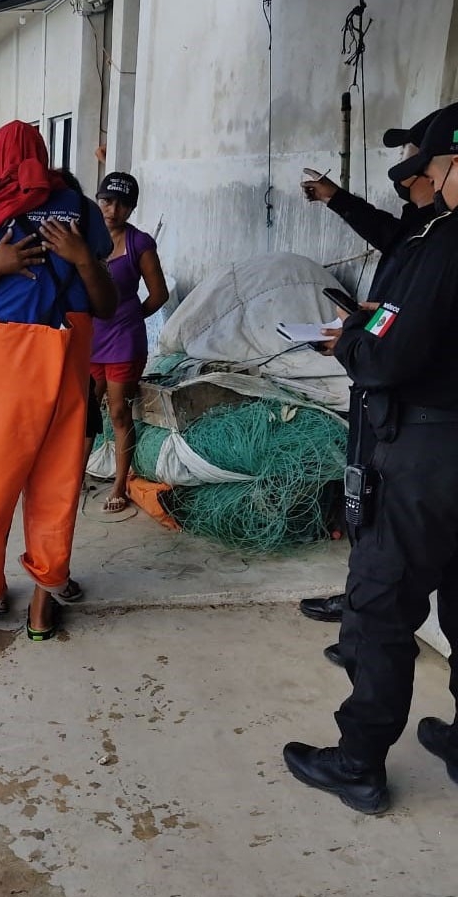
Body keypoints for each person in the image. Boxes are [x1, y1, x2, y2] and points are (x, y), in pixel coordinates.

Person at [283, 101, 458, 814]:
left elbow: (389, 357)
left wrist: (351, 340)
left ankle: (359, 762)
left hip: (425, 452)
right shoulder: (434, 238)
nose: (421, 179)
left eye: (429, 165)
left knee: (381, 606)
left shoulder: (444, 243)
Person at [0, 120, 116, 641]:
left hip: (5, 361)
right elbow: (106, 305)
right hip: (70, 355)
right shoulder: (77, 208)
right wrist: (80, 258)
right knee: (57, 483)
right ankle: (41, 605)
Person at [295, 111, 440, 667]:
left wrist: (358, 339)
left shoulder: (439, 240)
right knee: (366, 507)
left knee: (384, 525)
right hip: (387, 396)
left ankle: (372, 631)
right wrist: (365, 320)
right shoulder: (420, 229)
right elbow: (397, 312)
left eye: (413, 162)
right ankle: (363, 607)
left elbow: (407, 330)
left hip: (414, 416)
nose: (403, 174)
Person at [90, 172, 169, 513]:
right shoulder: (84, 238)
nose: (113, 209)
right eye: (107, 201)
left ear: (132, 207)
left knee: (120, 412)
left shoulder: (140, 244)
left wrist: (132, 316)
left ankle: (120, 484)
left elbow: (159, 294)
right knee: (85, 412)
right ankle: (73, 474)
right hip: (89, 339)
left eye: (122, 204)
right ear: (98, 201)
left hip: (123, 339)